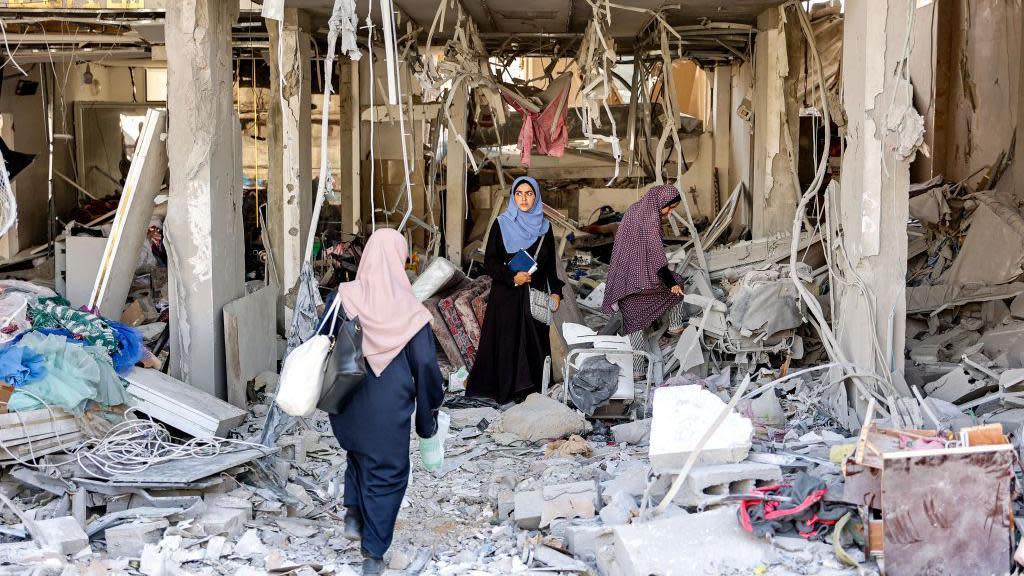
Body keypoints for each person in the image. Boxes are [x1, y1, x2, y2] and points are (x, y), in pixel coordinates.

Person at [326, 229, 445, 575]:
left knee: (359, 454)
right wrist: (428, 420)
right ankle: (373, 552)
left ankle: (353, 512)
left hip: (345, 401)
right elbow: (425, 367)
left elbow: (320, 338)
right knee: (388, 473)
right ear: (398, 260)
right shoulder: (411, 313)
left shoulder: (343, 296)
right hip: (387, 407)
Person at [466, 176, 564, 404]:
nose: (523, 198)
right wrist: (513, 277)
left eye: (529, 193)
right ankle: (506, 392)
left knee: (534, 345)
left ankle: (531, 394)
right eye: (518, 193)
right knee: (508, 344)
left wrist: (556, 292)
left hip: (534, 297)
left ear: (536, 196)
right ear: (513, 197)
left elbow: (550, 266)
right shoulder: (502, 224)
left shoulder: (544, 228)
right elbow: (489, 262)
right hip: (507, 297)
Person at [601, 184, 687, 369]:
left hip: (623, 282)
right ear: (661, 202)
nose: (669, 213)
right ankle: (675, 326)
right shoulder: (651, 219)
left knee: (633, 324)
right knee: (679, 282)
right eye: (670, 208)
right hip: (640, 285)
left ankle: (637, 371)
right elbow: (657, 256)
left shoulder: (634, 209)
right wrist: (671, 283)